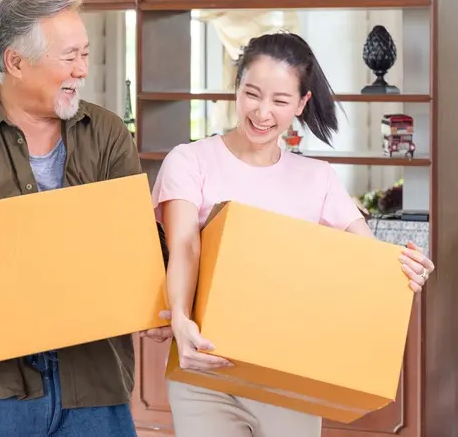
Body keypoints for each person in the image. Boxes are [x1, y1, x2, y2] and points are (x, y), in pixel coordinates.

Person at [0, 0, 171, 437]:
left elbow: (138, 240)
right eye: (69, 57)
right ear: (15, 62)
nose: (82, 70)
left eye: (85, 54)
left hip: (93, 377)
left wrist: (155, 291)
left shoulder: (107, 134)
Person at [151, 32, 436, 437]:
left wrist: (405, 270)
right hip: (204, 368)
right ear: (237, 88)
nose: (262, 112)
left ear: (302, 103)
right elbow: (185, 248)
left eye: (280, 101)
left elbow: (366, 258)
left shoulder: (316, 178)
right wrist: (179, 319)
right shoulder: (190, 160)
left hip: (290, 375)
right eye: (252, 94)